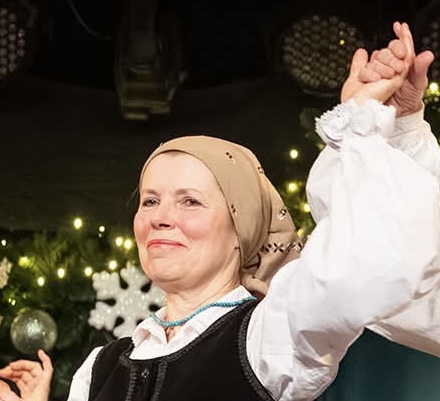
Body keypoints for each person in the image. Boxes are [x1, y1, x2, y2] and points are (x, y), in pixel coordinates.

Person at [1, 21, 439, 401]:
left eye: (190, 201)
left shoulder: (270, 337)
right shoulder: (99, 368)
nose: (159, 217)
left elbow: (367, 264)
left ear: (240, 228)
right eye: (150, 200)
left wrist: (367, 123)